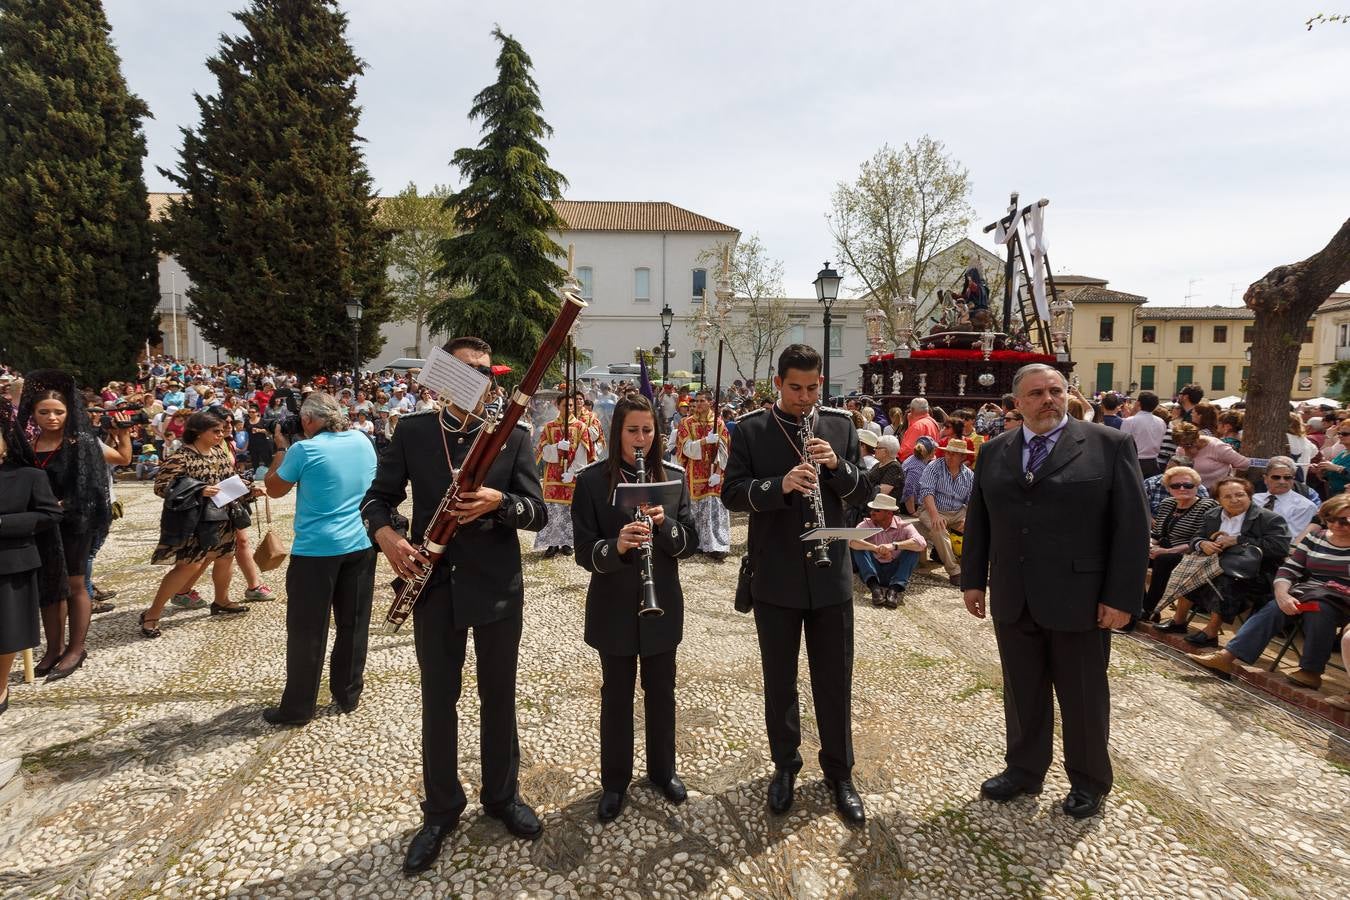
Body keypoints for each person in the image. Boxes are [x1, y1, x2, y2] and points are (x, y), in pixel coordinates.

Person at [360, 335, 548, 873]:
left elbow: (537, 512)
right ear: (442, 376)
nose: (477, 379)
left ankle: (502, 797)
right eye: (464, 369)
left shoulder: (514, 437)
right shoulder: (414, 431)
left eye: (485, 372)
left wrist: (501, 501)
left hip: (495, 586)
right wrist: (388, 539)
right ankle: (440, 810)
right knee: (438, 700)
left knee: (498, 695)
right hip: (434, 584)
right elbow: (377, 499)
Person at [961, 363, 1149, 820]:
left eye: (1056, 391)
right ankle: (1024, 770)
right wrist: (972, 579)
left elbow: (1132, 527)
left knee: (1083, 695)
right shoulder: (995, 451)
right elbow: (980, 519)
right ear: (1018, 402)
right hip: (1014, 593)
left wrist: (1121, 597)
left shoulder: (1108, 444)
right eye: (1037, 393)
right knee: (1022, 692)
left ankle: (1089, 781)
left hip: (1080, 598)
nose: (1048, 399)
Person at [722, 344, 874, 825]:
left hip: (832, 579)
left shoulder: (841, 427)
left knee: (835, 679)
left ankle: (839, 772)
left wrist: (837, 467)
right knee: (780, 681)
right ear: (778, 381)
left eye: (813, 388)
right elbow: (730, 495)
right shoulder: (751, 430)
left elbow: (863, 494)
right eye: (795, 388)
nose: (805, 398)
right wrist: (779, 485)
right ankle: (785, 765)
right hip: (777, 576)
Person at [571, 395, 698, 822]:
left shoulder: (674, 478)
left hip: (662, 602)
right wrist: (617, 545)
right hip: (613, 606)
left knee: (662, 692)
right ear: (617, 433)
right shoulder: (591, 482)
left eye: (647, 430)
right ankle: (614, 782)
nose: (641, 439)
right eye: (632, 431)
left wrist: (666, 526)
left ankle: (663, 771)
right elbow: (584, 551)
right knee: (616, 695)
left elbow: (690, 542)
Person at [260, 393, 378, 726]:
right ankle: (348, 692)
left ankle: (298, 707)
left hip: (316, 551)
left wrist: (281, 447)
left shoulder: (303, 449)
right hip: (360, 542)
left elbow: (274, 487)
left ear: (310, 420)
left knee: (307, 631)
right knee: (354, 624)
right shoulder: (361, 439)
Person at [17, 371, 131, 680]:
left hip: (74, 524)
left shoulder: (80, 442)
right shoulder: (28, 443)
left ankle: (76, 648)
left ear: (69, 413)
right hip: (39, 525)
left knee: (75, 585)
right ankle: (53, 648)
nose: (51, 417)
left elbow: (95, 483)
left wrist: (63, 505)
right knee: (48, 588)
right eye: (44, 412)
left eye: (58, 411)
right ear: (33, 413)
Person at [1190, 493, 1350, 690]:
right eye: (1331, 519)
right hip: (1309, 592)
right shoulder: (1316, 537)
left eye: (1344, 521)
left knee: (1319, 608)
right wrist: (1282, 594)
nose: (1336, 525)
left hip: (1342, 599)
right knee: (1277, 606)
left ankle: (1311, 671)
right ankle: (1227, 656)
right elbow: (1290, 568)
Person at [137, 412, 255, 637]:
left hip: (223, 516)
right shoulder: (180, 457)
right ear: (198, 433)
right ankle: (152, 614)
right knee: (188, 566)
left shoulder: (219, 452)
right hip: (194, 521)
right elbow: (161, 486)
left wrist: (248, 487)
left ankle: (222, 600)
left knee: (224, 558)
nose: (221, 435)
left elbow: (229, 477)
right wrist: (199, 489)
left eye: (222, 431)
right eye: (216, 431)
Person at [1155, 477, 1289, 648]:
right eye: (1227, 496)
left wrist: (1239, 540)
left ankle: (1211, 633)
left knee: (1225, 579)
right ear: (1218, 500)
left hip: (1254, 572)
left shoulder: (1269, 519)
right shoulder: (1213, 515)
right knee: (1188, 568)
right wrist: (1202, 544)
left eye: (1240, 495)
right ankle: (1179, 621)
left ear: (1249, 496)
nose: (1234, 500)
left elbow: (1279, 548)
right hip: (1215, 563)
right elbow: (1196, 538)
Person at [0, 426, 64, 715]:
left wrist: (3, 524)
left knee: (5, 630)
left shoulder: (29, 476)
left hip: (10, 562)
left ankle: (0, 686)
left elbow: (50, 514)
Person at [1141, 465, 1217, 621]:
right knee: (1133, 555)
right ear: (1169, 489)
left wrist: (1166, 551)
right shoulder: (1167, 503)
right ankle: (1138, 603)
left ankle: (1150, 609)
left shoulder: (1207, 506)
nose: (1182, 488)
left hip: (1190, 554)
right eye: (1176, 485)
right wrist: (1149, 545)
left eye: (1188, 485)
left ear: (1197, 486)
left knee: (1163, 560)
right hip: (1162, 548)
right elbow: (1156, 534)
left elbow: (1197, 540)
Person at [672, 390, 731, 561]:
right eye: (696, 401)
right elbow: (686, 449)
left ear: (711, 403)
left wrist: (719, 472)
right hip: (694, 472)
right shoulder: (686, 423)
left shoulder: (719, 424)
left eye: (702, 401)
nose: (698, 404)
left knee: (714, 508)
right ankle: (696, 543)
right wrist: (705, 441)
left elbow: (725, 451)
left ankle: (717, 545)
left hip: (713, 473)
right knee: (695, 510)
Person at [533, 397, 595, 558]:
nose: (568, 408)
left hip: (571, 475)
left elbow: (583, 453)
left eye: (571, 405)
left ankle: (568, 542)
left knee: (570, 511)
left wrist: (573, 472)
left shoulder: (581, 427)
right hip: (553, 475)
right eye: (565, 405)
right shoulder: (549, 427)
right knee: (553, 510)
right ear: (557, 406)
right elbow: (542, 451)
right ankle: (552, 543)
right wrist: (556, 447)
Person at [849, 493, 925, 608]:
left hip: (895, 569)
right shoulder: (867, 524)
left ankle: (894, 590)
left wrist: (893, 546)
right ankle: (875, 588)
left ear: (889, 513)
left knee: (913, 550)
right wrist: (875, 548)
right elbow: (851, 540)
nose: (872, 513)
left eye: (877, 510)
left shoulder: (902, 525)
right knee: (859, 548)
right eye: (872, 510)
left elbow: (922, 543)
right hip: (874, 568)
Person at [917, 437, 976, 586]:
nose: (949, 456)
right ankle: (954, 571)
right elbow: (926, 493)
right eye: (948, 453)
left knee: (979, 526)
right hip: (932, 508)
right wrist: (935, 515)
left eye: (954, 454)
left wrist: (968, 518)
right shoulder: (934, 466)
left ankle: (977, 567)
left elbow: (971, 501)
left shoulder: (969, 475)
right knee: (938, 529)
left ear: (963, 457)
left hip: (957, 512)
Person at [1253, 456, 1320, 541]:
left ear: (1293, 479)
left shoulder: (1304, 506)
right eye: (1276, 477)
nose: (1282, 481)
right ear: (1265, 479)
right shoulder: (1253, 500)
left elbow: (1291, 538)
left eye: (1287, 477)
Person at [1173, 422, 1251, 493]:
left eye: (1188, 445)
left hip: (1216, 490)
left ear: (1197, 438)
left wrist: (1230, 474)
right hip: (1191, 489)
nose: (1184, 448)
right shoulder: (1181, 448)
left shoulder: (1217, 447)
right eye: (1181, 445)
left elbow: (1244, 463)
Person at [900, 436, 936, 516]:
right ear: (930, 453)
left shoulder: (913, 459)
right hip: (908, 508)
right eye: (934, 450)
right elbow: (908, 489)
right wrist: (912, 512)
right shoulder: (917, 467)